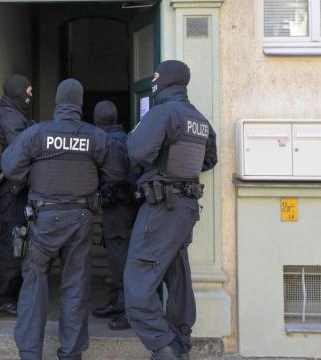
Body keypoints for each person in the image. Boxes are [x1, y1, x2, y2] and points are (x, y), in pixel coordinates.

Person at [1, 79, 124, 360]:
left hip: (43, 217)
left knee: (34, 284)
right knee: (75, 285)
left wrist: (28, 177)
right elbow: (116, 173)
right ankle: (71, 353)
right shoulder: (95, 136)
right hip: (80, 218)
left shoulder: (36, 133)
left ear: (58, 102)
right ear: (80, 104)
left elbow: (10, 167)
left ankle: (30, 353)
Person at [124, 60, 217, 360]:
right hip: (186, 209)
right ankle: (180, 344)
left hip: (162, 208)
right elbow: (209, 159)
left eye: (156, 76)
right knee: (177, 280)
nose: (152, 80)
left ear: (166, 80)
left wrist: (159, 168)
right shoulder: (199, 119)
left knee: (137, 286)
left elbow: (137, 150)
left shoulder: (163, 113)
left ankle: (165, 350)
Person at [0, 74, 33, 315]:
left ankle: (8, 293)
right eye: (28, 90)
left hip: (10, 189)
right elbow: (23, 151)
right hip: (9, 191)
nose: (30, 94)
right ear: (17, 92)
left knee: (15, 242)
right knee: (11, 244)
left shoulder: (12, 114)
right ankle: (3, 297)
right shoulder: (9, 117)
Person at [91, 100, 138, 331]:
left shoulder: (111, 142)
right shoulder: (121, 137)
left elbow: (120, 178)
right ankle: (117, 302)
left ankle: (128, 310)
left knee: (121, 260)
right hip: (120, 208)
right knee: (116, 257)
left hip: (120, 208)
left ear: (98, 119)